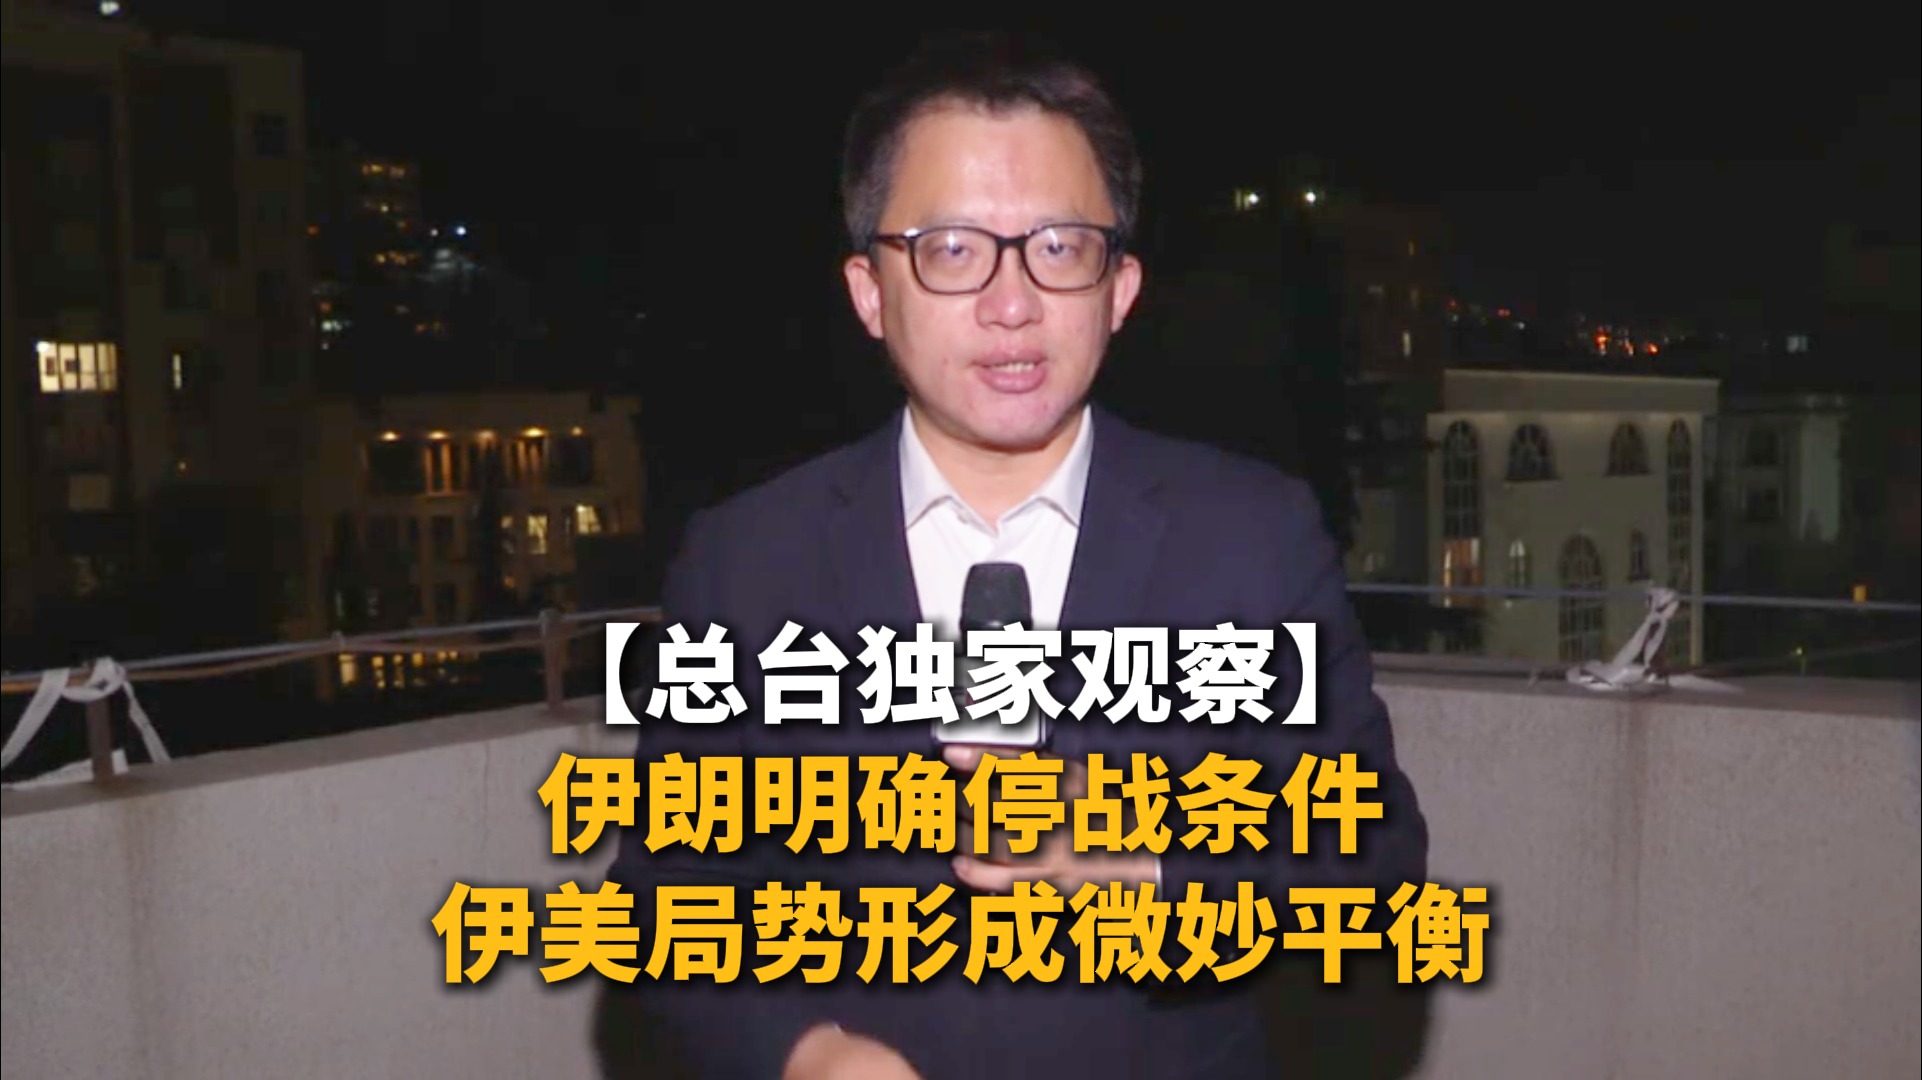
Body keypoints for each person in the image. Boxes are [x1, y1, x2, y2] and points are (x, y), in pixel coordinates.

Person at [603, 32, 1428, 1080]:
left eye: (1060, 247)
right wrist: (804, 1054)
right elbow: (666, 898)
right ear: (869, 290)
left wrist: (1150, 866)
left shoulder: (1251, 537)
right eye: (952, 249)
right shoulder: (746, 561)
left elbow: (1377, 874)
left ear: (1118, 287)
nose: (1011, 302)